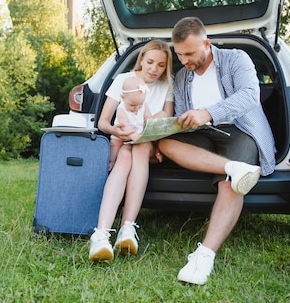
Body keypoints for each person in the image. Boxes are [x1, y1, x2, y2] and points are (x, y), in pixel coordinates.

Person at [157, 16, 276, 285]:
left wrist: (208, 113)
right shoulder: (181, 76)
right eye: (179, 54)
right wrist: (168, 127)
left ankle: (205, 255)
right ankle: (231, 167)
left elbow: (249, 96)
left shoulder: (236, 58)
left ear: (206, 44)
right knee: (165, 143)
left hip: (239, 129)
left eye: (189, 53)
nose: (184, 60)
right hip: (200, 134)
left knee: (231, 184)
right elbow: (180, 116)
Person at [89, 40, 174, 262]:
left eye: (161, 65)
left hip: (149, 144)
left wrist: (152, 124)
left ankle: (118, 230)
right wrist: (116, 130)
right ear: (141, 59)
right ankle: (107, 233)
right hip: (125, 142)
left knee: (140, 147)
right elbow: (103, 123)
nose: (154, 69)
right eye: (150, 62)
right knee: (126, 156)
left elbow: (167, 117)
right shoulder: (122, 81)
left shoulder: (167, 84)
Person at [108, 75, 153, 171]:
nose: (136, 108)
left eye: (139, 104)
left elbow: (148, 119)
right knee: (114, 146)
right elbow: (125, 126)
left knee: (136, 151)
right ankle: (111, 162)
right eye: (132, 105)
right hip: (121, 136)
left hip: (137, 137)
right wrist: (135, 137)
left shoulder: (143, 106)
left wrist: (148, 126)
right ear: (123, 98)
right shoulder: (121, 109)